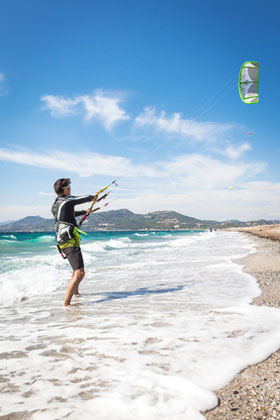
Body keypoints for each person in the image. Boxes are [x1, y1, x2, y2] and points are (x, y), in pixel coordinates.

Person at [51, 178, 97, 306]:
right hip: (69, 240)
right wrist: (94, 197)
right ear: (64, 189)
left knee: (75, 270)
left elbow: (68, 214)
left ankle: (76, 294)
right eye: (68, 187)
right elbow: (81, 198)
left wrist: (84, 212)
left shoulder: (57, 204)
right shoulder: (66, 200)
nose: (70, 189)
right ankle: (66, 304)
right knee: (80, 272)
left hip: (63, 240)